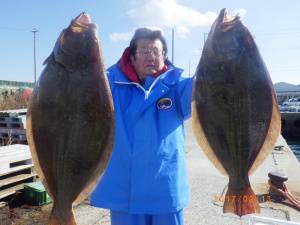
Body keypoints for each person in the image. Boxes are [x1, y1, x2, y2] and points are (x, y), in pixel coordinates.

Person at [91, 27, 193, 225]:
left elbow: (209, 87)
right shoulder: (108, 84)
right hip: (124, 194)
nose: (151, 56)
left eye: (156, 51)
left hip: (166, 192)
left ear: (164, 56)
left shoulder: (178, 86)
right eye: (144, 51)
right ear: (132, 56)